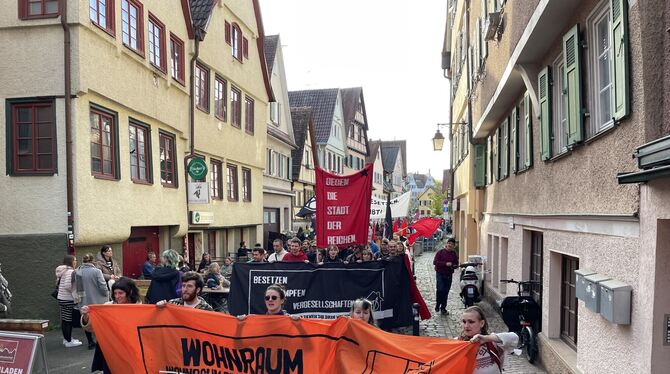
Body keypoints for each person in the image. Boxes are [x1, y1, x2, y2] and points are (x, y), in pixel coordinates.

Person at [81, 277, 142, 374]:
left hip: (131, 349)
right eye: (115, 293)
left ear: (129, 292)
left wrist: (160, 308)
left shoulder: (139, 309)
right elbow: (92, 328)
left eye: (121, 293)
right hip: (111, 349)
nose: (117, 296)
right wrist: (86, 316)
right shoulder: (107, 307)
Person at [459, 306, 518, 374]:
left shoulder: (492, 343)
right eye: (464, 322)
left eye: (471, 322)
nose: (466, 326)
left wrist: (486, 338)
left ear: (482, 323)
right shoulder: (457, 343)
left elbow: (514, 338)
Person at [75, 253, 108, 349]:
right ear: (93, 261)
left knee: (86, 320)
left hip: (83, 299)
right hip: (98, 299)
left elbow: (75, 287)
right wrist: (106, 294)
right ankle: (100, 341)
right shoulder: (97, 271)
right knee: (99, 321)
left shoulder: (77, 271)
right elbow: (102, 286)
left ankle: (90, 341)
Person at [55, 255, 82, 347]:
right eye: (74, 260)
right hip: (68, 299)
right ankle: (69, 341)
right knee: (68, 320)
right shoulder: (70, 271)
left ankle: (66, 339)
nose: (76, 261)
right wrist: (75, 293)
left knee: (65, 320)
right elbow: (68, 286)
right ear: (70, 261)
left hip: (62, 298)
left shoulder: (63, 271)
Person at [433, 238, 459, 314]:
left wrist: (454, 265)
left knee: (445, 291)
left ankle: (443, 308)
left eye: (452, 244)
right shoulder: (440, 252)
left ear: (454, 246)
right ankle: (438, 304)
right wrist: (445, 264)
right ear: (446, 244)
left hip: (449, 275)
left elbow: (456, 263)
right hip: (440, 274)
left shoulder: (454, 254)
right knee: (440, 289)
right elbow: (435, 262)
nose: (450, 245)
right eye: (449, 243)